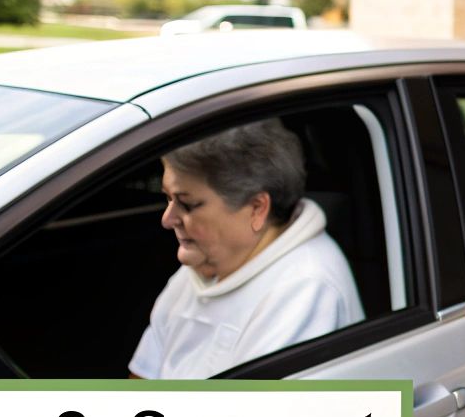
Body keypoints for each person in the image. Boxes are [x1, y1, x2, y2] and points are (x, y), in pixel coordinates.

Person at [129, 119, 361, 379]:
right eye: (168, 199)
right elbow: (141, 379)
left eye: (188, 204)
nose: (167, 219)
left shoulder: (307, 288)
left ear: (257, 208)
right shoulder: (204, 263)